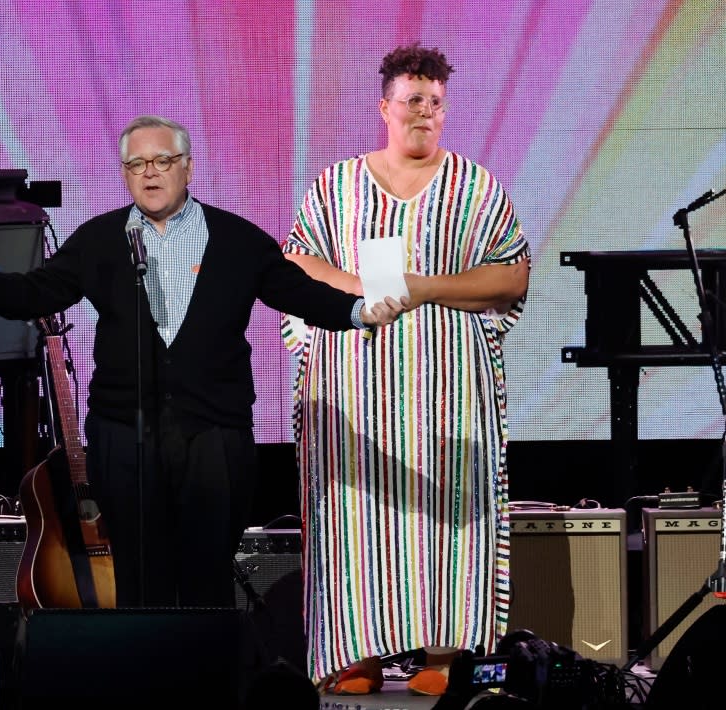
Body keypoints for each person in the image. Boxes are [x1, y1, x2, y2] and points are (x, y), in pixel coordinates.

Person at [0, 114, 402, 608]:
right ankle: (147, 682)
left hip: (214, 433)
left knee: (207, 580)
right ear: (124, 174)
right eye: (136, 163)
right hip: (123, 434)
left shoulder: (236, 239)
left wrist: (358, 310)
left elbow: (299, 293)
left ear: (188, 168)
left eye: (162, 160)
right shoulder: (99, 240)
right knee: (139, 582)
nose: (150, 172)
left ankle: (209, 683)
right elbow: (35, 293)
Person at [282, 43, 530, 691]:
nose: (425, 113)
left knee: (449, 507)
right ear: (384, 107)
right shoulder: (334, 186)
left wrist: (424, 287)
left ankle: (444, 656)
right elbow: (296, 263)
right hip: (354, 384)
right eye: (413, 100)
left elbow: (510, 274)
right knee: (353, 509)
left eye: (436, 103)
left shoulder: (476, 187)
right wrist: (358, 289)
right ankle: (354, 652)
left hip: (448, 385)